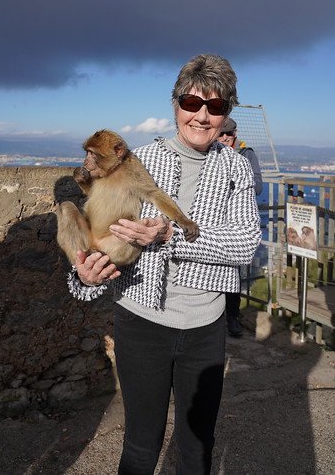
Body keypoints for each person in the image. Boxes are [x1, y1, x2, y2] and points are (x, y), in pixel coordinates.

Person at [67, 54, 262, 475]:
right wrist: (83, 275)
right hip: (140, 320)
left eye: (216, 107)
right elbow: (98, 229)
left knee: (195, 447)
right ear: (176, 105)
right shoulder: (136, 160)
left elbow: (246, 244)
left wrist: (173, 236)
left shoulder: (236, 168)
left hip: (205, 325)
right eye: (192, 104)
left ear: (226, 114)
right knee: (141, 443)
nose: (202, 116)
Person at [218, 117, 263, 337]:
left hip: (234, 222)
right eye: (221, 134)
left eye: (229, 134)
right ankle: (213, 318)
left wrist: (230, 186)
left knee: (232, 272)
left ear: (236, 133)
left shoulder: (247, 154)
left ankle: (232, 317)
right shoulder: (209, 153)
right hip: (213, 221)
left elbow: (258, 186)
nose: (225, 138)